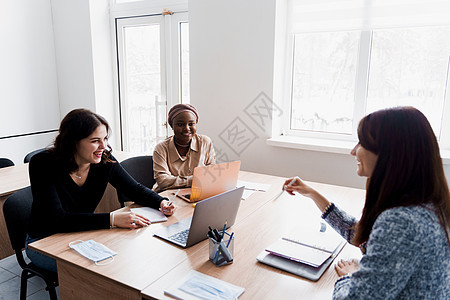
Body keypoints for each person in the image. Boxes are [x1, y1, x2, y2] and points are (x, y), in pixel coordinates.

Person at [283, 107, 450, 299]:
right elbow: (363, 237)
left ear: (390, 153)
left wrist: (350, 277)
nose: (353, 151)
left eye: (361, 143)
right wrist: (313, 194)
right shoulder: (428, 204)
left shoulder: (402, 222)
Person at [27, 109, 176, 272]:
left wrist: (160, 202)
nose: (103, 146)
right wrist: (112, 219)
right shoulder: (42, 164)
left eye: (105, 138)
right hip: (43, 240)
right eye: (95, 140)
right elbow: (57, 219)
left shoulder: (104, 161)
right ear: (73, 141)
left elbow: (135, 190)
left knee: (124, 260)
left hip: (82, 233)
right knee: (99, 270)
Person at [153, 104, 216, 192]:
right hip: (166, 196)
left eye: (191, 124)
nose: (186, 128)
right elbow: (163, 181)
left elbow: (211, 174)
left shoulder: (205, 142)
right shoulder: (161, 148)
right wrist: (195, 180)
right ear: (172, 126)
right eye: (180, 124)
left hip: (197, 193)